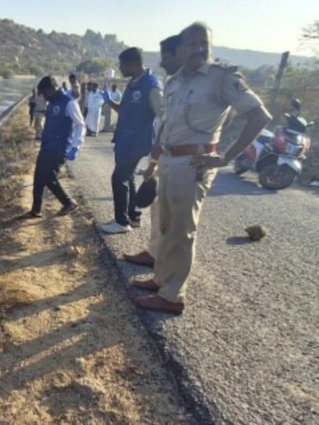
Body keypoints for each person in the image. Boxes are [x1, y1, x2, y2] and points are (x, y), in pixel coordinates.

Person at [131, 22, 272, 315]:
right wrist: (157, 151)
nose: (198, 49)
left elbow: (258, 116)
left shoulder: (221, 77)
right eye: (192, 44)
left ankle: (172, 297)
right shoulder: (176, 80)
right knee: (167, 226)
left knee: (183, 231)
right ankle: (161, 280)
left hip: (192, 164)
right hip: (169, 160)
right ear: (180, 50)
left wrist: (224, 156)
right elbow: (169, 120)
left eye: (203, 44)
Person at [124, 34, 183, 267]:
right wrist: (154, 160)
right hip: (161, 151)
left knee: (179, 218)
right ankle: (155, 253)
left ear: (180, 55)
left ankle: (169, 269)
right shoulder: (174, 83)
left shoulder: (157, 86)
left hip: (182, 156)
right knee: (158, 207)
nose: (161, 63)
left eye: (166, 57)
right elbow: (164, 122)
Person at [98, 47, 163, 234]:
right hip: (124, 140)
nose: (120, 68)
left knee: (118, 178)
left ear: (133, 63)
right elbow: (126, 111)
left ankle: (121, 222)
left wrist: (157, 150)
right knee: (128, 178)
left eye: (122, 64)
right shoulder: (133, 83)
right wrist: (110, 102)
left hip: (137, 142)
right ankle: (133, 216)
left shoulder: (151, 85)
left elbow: (162, 115)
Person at [23, 76, 84, 218]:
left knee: (49, 176)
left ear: (52, 89)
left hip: (60, 148)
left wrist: (75, 147)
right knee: (38, 177)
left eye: (44, 93)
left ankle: (68, 202)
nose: (43, 97)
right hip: (47, 146)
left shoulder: (69, 103)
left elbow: (80, 125)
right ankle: (35, 210)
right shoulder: (51, 104)